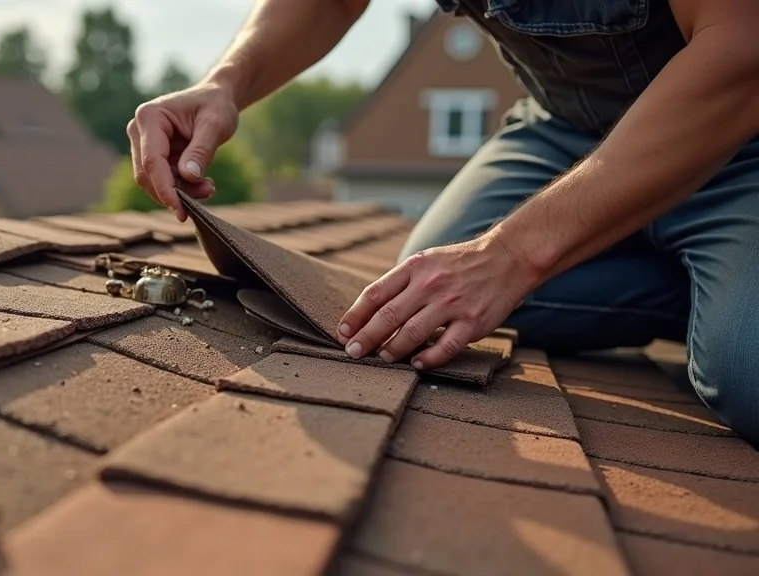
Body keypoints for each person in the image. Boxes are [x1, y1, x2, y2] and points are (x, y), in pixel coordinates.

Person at [126, 0, 759, 444]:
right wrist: (225, 83)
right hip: (567, 133)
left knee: (747, 372)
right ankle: (705, 285)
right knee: (426, 295)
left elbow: (742, 48)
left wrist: (509, 254)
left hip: (738, 134)